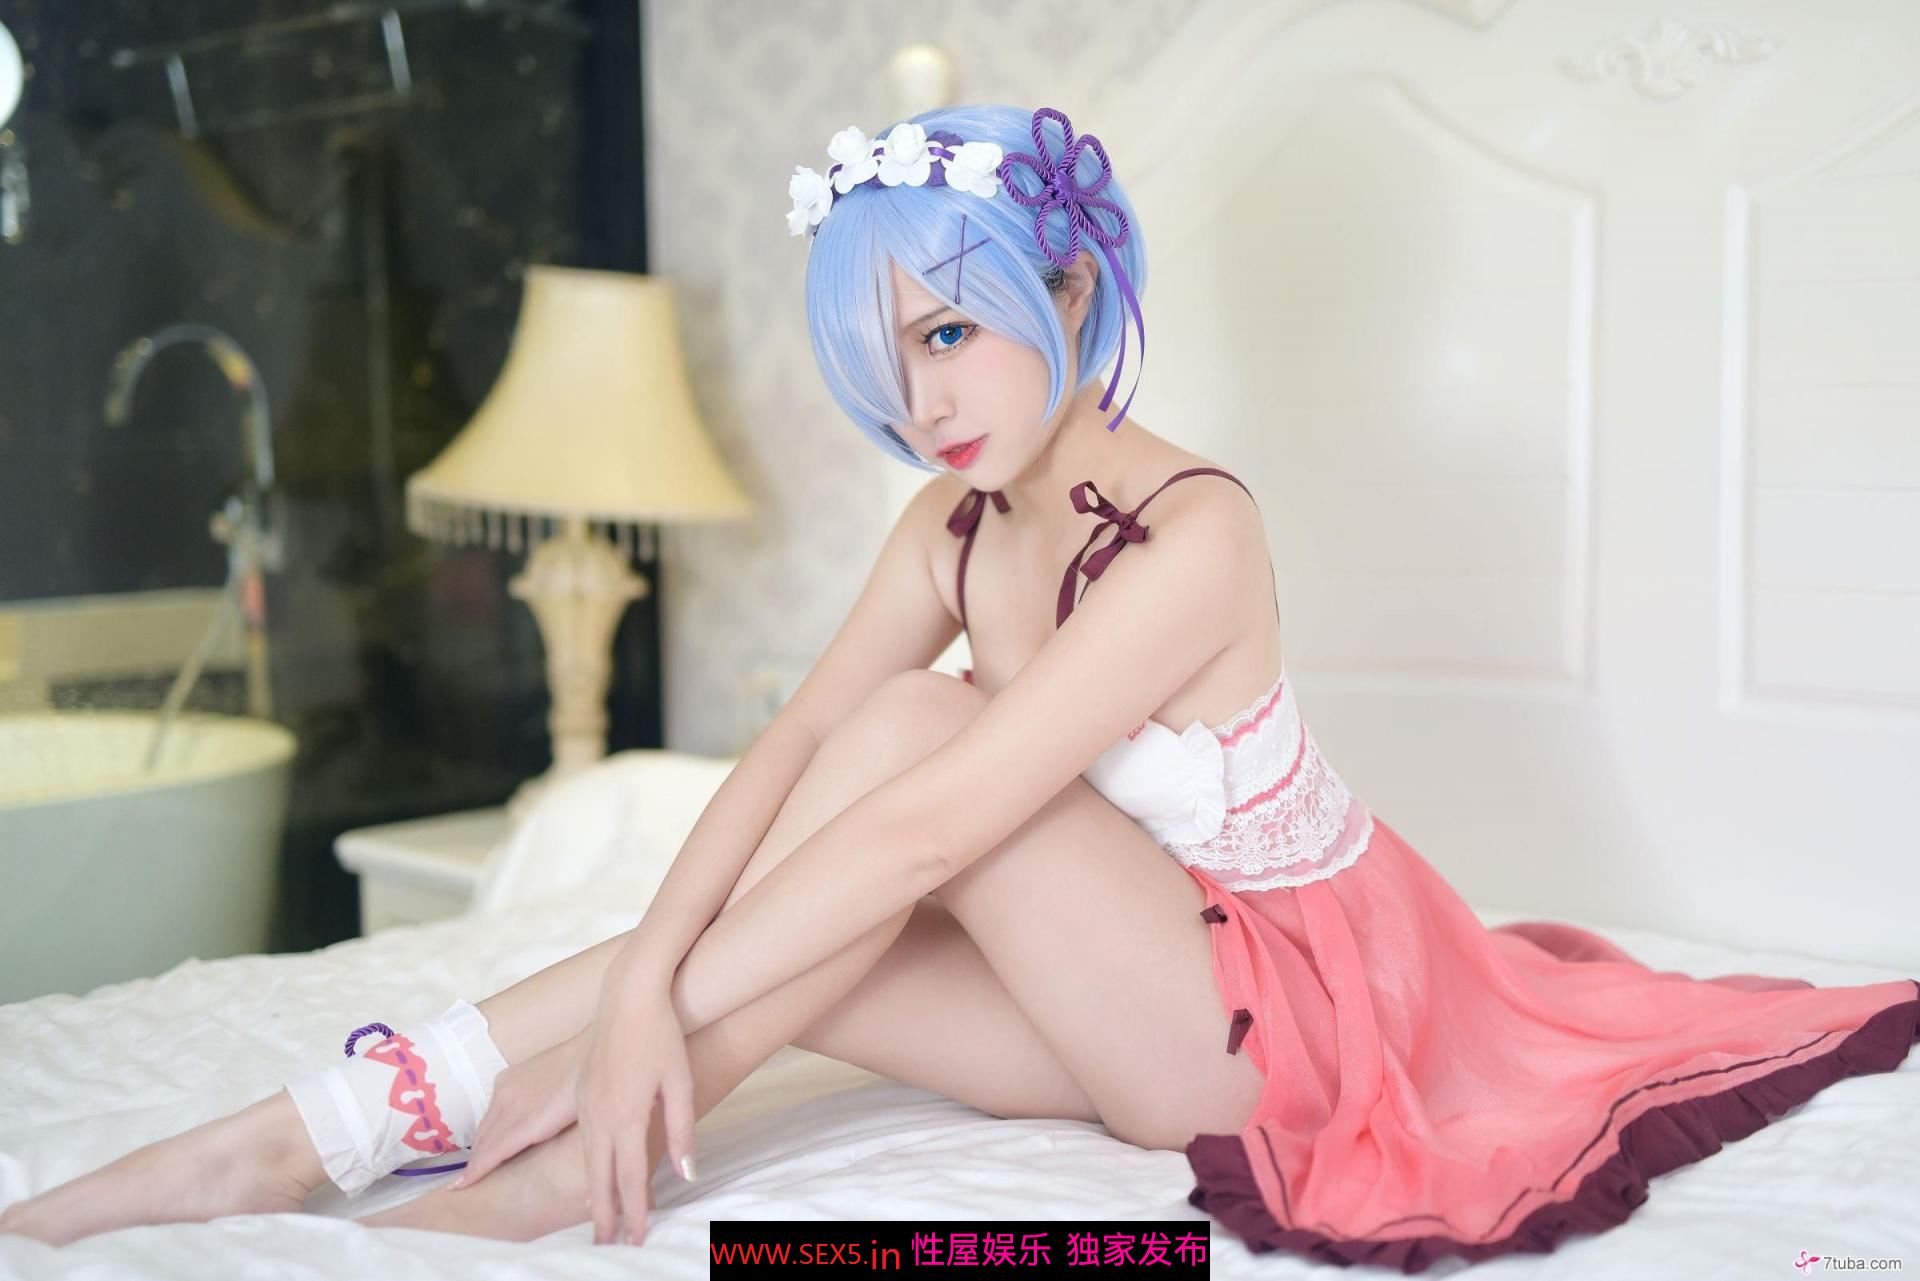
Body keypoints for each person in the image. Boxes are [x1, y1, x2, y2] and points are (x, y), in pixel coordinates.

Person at [4, 103, 1915, 1270]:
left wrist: (656, 1000)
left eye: (953, 331)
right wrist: (653, 970)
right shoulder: (949, 525)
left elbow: (929, 814)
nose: (924, 399)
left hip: (1270, 1031)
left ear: (1069, 294)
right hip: (1107, 988)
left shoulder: (1198, 535)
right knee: (820, 867)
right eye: (891, 354)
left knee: (917, 745)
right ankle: (307, 1137)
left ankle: (451, 1161)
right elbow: (792, 749)